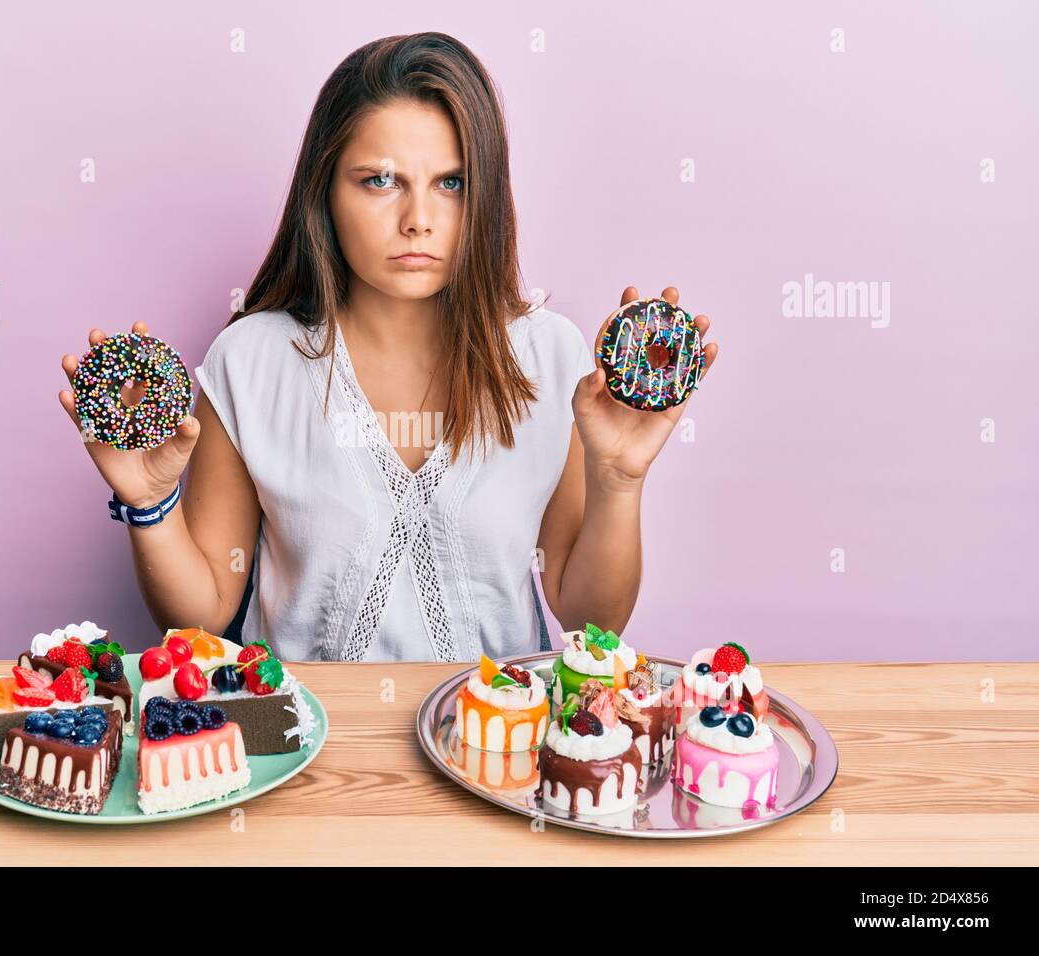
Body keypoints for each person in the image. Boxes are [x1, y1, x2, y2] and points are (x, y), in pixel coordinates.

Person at [58, 32, 718, 662]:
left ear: (485, 194)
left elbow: (587, 620)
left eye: (450, 183)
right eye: (380, 180)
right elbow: (199, 620)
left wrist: (617, 480)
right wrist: (150, 505)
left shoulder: (551, 356)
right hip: (305, 746)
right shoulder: (250, 361)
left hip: (497, 747)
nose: (419, 219)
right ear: (324, 189)